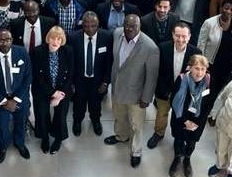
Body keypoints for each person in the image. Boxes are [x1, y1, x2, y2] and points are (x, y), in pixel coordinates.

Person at [104, 14, 159, 168]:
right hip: (117, 88)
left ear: (139, 26)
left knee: (136, 125)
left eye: (133, 26)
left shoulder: (150, 47)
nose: (129, 29)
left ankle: (136, 151)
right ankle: (121, 136)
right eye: (127, 25)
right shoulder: (117, 34)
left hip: (136, 94)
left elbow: (152, 76)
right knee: (119, 116)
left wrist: (146, 98)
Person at [0, 29, 33, 163]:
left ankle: (19, 143)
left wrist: (15, 100)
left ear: (12, 40)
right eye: (1, 40)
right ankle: (3, 146)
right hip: (0, 99)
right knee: (2, 125)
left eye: (8, 40)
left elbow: (28, 77)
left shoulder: (21, 52)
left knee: (20, 122)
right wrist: (4, 100)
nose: (5, 43)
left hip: (20, 98)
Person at [147, 22, 201, 149]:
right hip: (164, 90)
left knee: (181, 117)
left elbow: (197, 75)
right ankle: (158, 133)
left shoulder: (196, 53)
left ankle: (179, 138)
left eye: (184, 36)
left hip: (184, 93)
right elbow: (157, 71)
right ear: (172, 35)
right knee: (161, 114)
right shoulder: (163, 48)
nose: (180, 39)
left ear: (189, 36)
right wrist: (164, 90)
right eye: (177, 36)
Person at [31, 26, 74, 154]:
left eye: (59, 39)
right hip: (42, 89)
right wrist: (52, 93)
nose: (55, 42)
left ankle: (58, 139)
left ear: (62, 40)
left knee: (60, 116)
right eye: (53, 38)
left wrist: (59, 96)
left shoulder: (68, 51)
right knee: (42, 114)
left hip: (62, 90)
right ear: (48, 38)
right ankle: (44, 138)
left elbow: (70, 76)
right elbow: (37, 77)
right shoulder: (38, 51)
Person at [68, 11, 112, 136]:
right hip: (79, 79)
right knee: (78, 104)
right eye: (86, 26)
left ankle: (96, 120)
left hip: (97, 79)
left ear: (98, 24)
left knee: (95, 103)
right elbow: (70, 63)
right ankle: (77, 121)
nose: (90, 29)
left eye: (93, 25)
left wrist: (105, 81)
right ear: (82, 25)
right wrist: (71, 82)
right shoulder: (73, 37)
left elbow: (109, 61)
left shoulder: (107, 37)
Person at [168, 54, 210, 177]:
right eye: (197, 68)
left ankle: (187, 159)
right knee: (178, 140)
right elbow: (173, 102)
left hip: (198, 120)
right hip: (180, 118)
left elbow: (210, 103)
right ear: (190, 67)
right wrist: (186, 121)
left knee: (191, 143)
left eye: (203, 69)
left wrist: (197, 122)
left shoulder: (209, 80)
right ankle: (176, 159)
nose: (200, 72)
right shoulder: (181, 79)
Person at [198, 0, 232, 98]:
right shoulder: (209, 23)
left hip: (228, 65)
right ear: (221, 8)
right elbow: (201, 45)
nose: (228, 11)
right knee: (207, 91)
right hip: (211, 65)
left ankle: (212, 111)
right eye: (226, 8)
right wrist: (202, 65)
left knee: (220, 91)